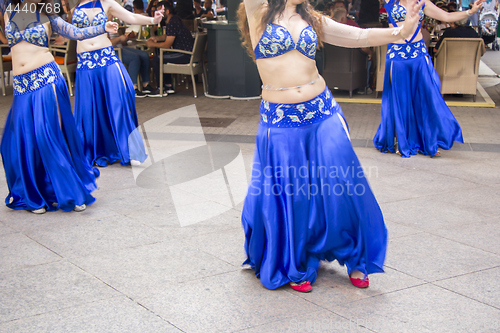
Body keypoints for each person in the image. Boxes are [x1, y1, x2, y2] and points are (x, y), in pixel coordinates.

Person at [237, 0, 423, 292]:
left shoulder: (312, 19)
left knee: (344, 183)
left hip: (323, 111)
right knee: (294, 194)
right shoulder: (257, 14)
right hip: (281, 120)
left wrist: (400, 32)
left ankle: (356, 256)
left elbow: (359, 37)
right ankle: (294, 260)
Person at [0, 0, 118, 214]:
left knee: (47, 137)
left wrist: (103, 27)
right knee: (19, 141)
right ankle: (34, 194)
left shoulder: (48, 15)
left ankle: (70, 193)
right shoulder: (7, 9)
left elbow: (75, 32)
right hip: (21, 87)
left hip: (46, 79)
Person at [373, 0, 483, 158]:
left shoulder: (422, 2)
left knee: (427, 96)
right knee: (400, 99)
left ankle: (428, 142)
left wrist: (470, 13)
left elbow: (446, 16)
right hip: (397, 54)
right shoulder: (390, 1)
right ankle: (401, 141)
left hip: (418, 53)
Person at [70, 0, 163, 167]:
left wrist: (152, 20)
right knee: (89, 109)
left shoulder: (106, 3)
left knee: (118, 102)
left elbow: (130, 17)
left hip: (106, 59)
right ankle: (93, 150)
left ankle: (125, 148)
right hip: (85, 63)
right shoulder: (74, 7)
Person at [147, 1, 194, 96]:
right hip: (188, 54)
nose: (158, 14)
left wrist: (152, 44)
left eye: (160, 11)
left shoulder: (172, 22)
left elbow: (167, 45)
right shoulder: (175, 20)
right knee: (164, 56)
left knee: (157, 59)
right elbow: (169, 35)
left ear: (167, 11)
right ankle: (168, 86)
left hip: (184, 55)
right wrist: (156, 38)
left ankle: (161, 88)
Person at [108, 26, 154, 98]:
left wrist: (124, 38)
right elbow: (107, 43)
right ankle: (133, 87)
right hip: (112, 51)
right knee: (134, 58)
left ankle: (146, 85)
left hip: (121, 47)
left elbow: (121, 43)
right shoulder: (104, 24)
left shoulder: (114, 24)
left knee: (144, 55)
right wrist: (119, 38)